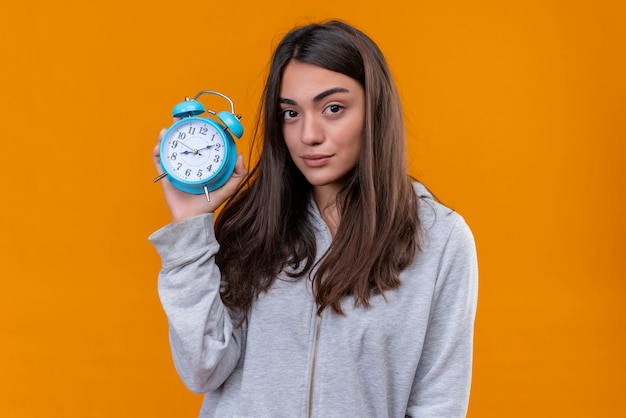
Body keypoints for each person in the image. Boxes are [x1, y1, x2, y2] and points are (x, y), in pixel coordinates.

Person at [149, 19, 478, 418]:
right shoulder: (254, 225)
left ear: (374, 110)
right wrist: (189, 227)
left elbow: (438, 405)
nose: (308, 134)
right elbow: (201, 369)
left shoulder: (440, 240)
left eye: (333, 108)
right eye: (290, 113)